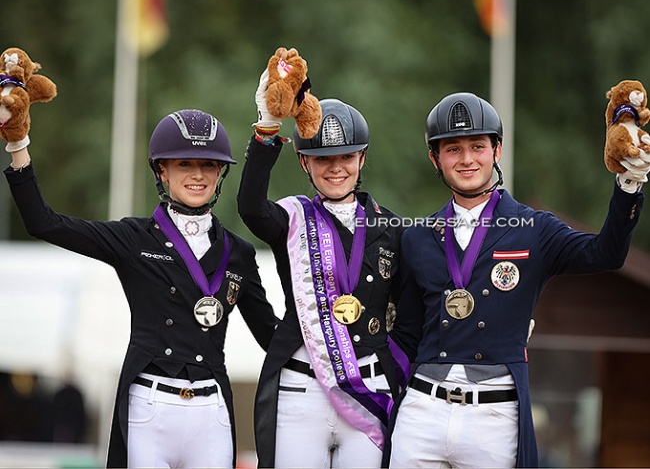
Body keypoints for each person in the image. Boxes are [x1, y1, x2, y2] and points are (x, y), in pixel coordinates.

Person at [3, 109, 278, 468]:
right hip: (149, 410)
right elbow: (44, 223)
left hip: (211, 412)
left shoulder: (238, 253)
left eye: (209, 165)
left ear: (220, 172)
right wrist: (17, 143)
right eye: (184, 163)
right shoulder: (133, 238)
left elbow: (271, 337)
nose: (198, 174)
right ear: (161, 170)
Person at [387, 92, 649, 468]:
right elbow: (407, 333)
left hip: (494, 416)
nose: (466, 159)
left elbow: (605, 254)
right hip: (422, 410)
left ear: (496, 150)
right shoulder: (416, 237)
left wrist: (628, 185)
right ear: (435, 158)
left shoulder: (534, 228)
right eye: (452, 149)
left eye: (477, 146)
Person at [237, 68, 409, 468]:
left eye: (346, 157)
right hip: (302, 388)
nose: (336, 168)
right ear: (303, 162)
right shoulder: (290, 218)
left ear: (362, 158)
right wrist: (266, 128)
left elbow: (410, 312)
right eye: (322, 158)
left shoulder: (393, 228)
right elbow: (249, 207)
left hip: (368, 387)